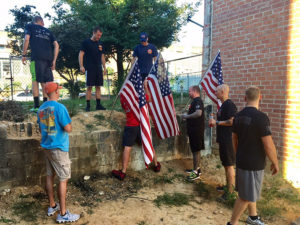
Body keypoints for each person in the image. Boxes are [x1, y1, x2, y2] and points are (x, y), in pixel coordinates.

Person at [227, 86, 279, 225]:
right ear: (260, 97)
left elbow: (234, 139)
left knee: (249, 191)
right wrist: (275, 162)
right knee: (246, 196)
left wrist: (238, 153)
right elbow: (268, 144)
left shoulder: (237, 116)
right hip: (253, 164)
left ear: (245, 98)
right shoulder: (261, 118)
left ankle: (253, 217)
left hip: (242, 159)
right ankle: (232, 222)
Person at [37, 82, 80, 223]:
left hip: (47, 147)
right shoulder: (60, 107)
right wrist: (70, 126)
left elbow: (41, 128)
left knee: (50, 175)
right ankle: (62, 214)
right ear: (55, 92)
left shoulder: (41, 109)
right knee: (63, 178)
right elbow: (68, 128)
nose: (59, 92)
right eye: (58, 90)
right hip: (59, 148)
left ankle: (52, 205)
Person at [112, 80, 161, 180]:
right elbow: (149, 99)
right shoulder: (138, 95)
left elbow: (123, 107)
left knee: (127, 147)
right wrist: (145, 87)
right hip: (141, 125)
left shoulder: (123, 96)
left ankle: (123, 172)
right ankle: (156, 165)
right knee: (149, 144)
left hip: (130, 125)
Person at [22, 16, 59, 112]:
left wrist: (24, 54)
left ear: (34, 22)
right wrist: (54, 60)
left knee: (35, 81)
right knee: (45, 82)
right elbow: (56, 45)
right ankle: (46, 106)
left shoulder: (30, 26)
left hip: (37, 58)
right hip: (48, 59)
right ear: (41, 22)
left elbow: (26, 39)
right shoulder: (48, 31)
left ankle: (37, 107)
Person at [210, 84, 237, 195]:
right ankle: (228, 187)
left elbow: (232, 121)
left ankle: (230, 193)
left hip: (228, 139)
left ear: (222, 92)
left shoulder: (229, 105)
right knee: (226, 164)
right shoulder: (223, 105)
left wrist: (216, 122)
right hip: (223, 139)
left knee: (229, 165)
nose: (215, 93)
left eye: (217, 91)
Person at [79, 26, 106, 111]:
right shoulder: (86, 42)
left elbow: (102, 56)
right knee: (89, 86)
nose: (99, 37)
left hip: (98, 68)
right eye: (98, 35)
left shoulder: (100, 44)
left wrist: (104, 67)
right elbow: (81, 54)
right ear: (93, 33)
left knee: (98, 86)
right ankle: (88, 106)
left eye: (100, 35)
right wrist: (81, 65)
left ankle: (98, 105)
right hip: (89, 68)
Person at [182, 85, 205, 181]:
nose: (188, 93)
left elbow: (198, 113)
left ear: (195, 91)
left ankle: (195, 172)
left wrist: (187, 116)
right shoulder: (194, 101)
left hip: (196, 130)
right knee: (196, 150)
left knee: (196, 151)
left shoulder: (198, 101)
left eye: (190, 91)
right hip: (194, 130)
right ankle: (197, 169)